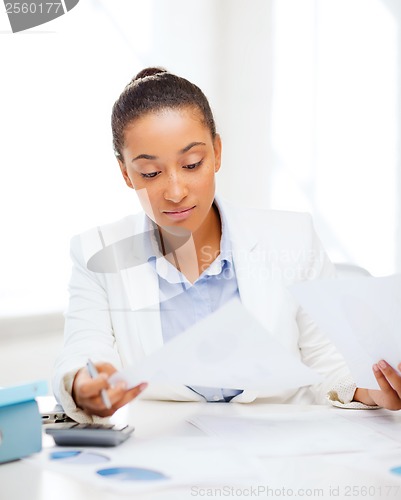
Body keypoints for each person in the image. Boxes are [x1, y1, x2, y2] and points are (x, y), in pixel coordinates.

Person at [53, 67, 401, 422]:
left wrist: (371, 389)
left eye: (192, 163)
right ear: (126, 174)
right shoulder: (95, 251)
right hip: (164, 459)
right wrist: (85, 386)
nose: (175, 191)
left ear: (217, 153)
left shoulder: (293, 238)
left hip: (280, 458)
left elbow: (328, 364)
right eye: (151, 173)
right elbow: (83, 351)